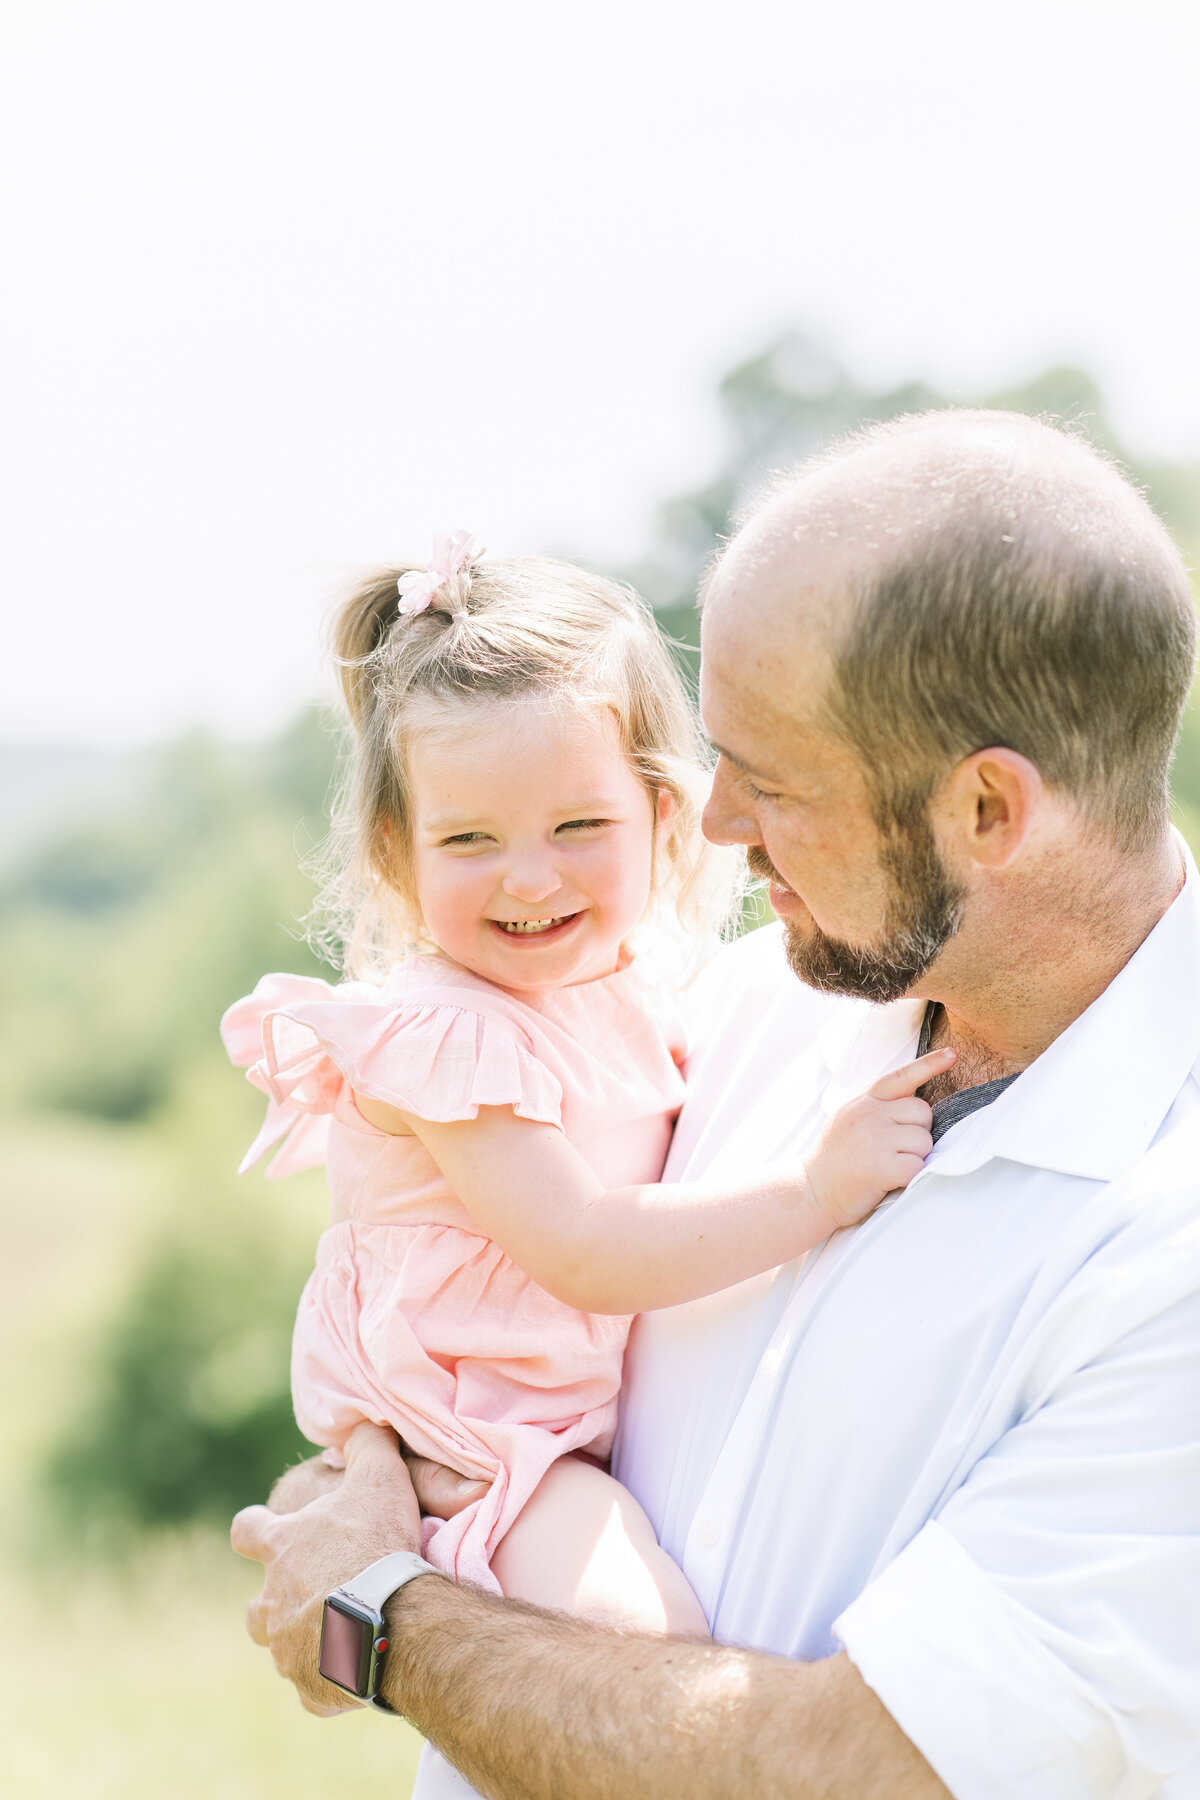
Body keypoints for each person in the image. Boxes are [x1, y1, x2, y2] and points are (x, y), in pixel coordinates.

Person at [233, 411, 1200, 1800]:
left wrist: (384, 1616)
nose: (713, 821)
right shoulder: (748, 1003)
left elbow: (856, 1773)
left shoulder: (1169, 1256)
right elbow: (484, 1305)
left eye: (778, 779)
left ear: (989, 811)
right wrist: (385, 1461)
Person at [222, 533, 948, 1636]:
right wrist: (815, 1193)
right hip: (472, 1428)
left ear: (663, 819)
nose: (529, 876)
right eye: (469, 838)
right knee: (647, 1637)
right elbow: (587, 1247)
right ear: (393, 850)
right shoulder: (448, 1034)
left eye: (579, 826)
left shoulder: (641, 995)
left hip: (558, 1414)